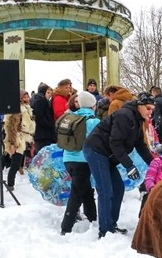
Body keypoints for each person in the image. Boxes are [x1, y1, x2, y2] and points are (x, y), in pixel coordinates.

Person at [84, 92, 155, 238]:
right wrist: (129, 166)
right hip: (96, 150)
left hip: (108, 155)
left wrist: (155, 163)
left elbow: (140, 144)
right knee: (105, 190)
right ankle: (104, 231)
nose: (150, 112)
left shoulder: (137, 119)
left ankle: (111, 224)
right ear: (139, 106)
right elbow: (115, 142)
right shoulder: (125, 116)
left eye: (152, 109)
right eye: (148, 108)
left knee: (118, 188)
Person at [60, 91, 101, 235]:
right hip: (82, 161)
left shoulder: (71, 117)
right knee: (77, 193)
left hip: (68, 159)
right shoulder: (93, 121)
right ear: (93, 105)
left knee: (85, 189)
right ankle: (66, 227)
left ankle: (92, 218)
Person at [3, 89, 35, 191]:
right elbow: (11, 127)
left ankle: (10, 183)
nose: (27, 99)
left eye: (27, 96)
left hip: (24, 137)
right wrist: (12, 143)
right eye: (24, 97)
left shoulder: (27, 109)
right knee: (15, 163)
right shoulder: (17, 110)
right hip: (17, 138)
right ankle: (10, 184)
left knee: (17, 162)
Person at [31, 82, 56, 153]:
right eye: (48, 92)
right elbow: (40, 117)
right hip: (44, 134)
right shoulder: (41, 100)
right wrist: (50, 124)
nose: (50, 95)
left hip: (39, 133)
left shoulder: (35, 99)